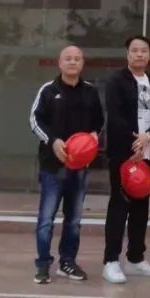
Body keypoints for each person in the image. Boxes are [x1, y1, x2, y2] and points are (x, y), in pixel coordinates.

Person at [29, 45, 105, 285]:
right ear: (60, 63)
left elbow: (99, 123)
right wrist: (52, 141)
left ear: (82, 64)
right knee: (46, 220)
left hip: (79, 167)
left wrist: (93, 139)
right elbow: (34, 121)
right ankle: (43, 265)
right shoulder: (48, 90)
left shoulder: (90, 92)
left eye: (77, 59)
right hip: (53, 166)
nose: (72, 62)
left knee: (73, 220)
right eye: (68, 58)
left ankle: (67, 263)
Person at [102, 35, 150, 284]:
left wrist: (149, 136)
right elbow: (115, 115)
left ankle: (136, 259)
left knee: (141, 208)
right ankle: (111, 261)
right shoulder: (116, 81)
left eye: (144, 50)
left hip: (146, 154)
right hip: (124, 154)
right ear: (127, 54)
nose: (140, 54)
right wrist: (134, 140)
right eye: (135, 50)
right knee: (119, 206)